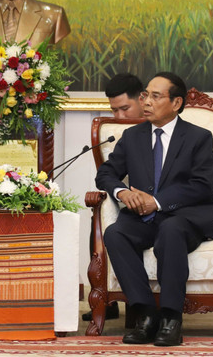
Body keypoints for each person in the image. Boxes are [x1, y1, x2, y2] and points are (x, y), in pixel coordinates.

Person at [95, 72, 213, 346]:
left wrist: (158, 201)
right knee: (115, 234)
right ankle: (146, 314)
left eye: (155, 96)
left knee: (171, 230)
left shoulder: (198, 138)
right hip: (144, 217)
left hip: (183, 216)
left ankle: (171, 319)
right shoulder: (132, 136)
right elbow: (106, 174)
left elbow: (202, 186)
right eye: (145, 95)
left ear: (176, 103)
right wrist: (123, 191)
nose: (147, 101)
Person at [82, 72, 145, 323]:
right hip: (127, 203)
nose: (119, 117)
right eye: (114, 110)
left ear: (142, 99)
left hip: (166, 205)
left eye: (124, 109)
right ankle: (106, 299)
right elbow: (107, 174)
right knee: (98, 222)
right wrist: (123, 193)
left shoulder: (167, 126)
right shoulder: (119, 134)